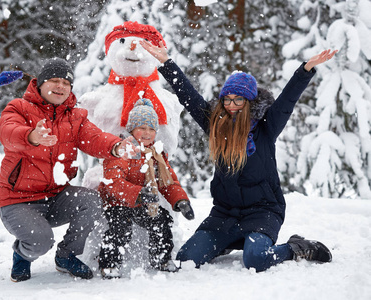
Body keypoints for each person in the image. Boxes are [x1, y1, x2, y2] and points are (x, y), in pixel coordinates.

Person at [141, 39, 337, 272]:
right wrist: (166, 62)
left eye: (238, 100)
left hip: (262, 212)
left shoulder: (267, 128)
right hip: (224, 214)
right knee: (186, 259)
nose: (231, 105)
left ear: (249, 102)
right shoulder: (216, 125)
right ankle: (225, 242)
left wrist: (306, 69)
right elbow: (190, 98)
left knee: (256, 259)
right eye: (227, 99)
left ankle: (296, 247)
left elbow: (288, 100)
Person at [0, 57, 138, 282]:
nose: (60, 86)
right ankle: (22, 254)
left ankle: (66, 255)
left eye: (66, 83)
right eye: (54, 80)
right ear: (40, 84)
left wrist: (116, 146)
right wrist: (32, 136)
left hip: (56, 196)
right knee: (40, 241)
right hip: (18, 200)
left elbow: (94, 138)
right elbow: (8, 132)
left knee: (92, 201)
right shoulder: (19, 108)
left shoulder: (75, 116)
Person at [97, 99, 195, 278]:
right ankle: (109, 263)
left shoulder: (157, 155)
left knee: (161, 220)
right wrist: (138, 194)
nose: (147, 133)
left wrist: (180, 200)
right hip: (117, 202)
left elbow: (168, 181)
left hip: (142, 202)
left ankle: (161, 258)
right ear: (131, 129)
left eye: (151, 129)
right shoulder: (123, 149)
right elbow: (113, 182)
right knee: (120, 228)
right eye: (142, 128)